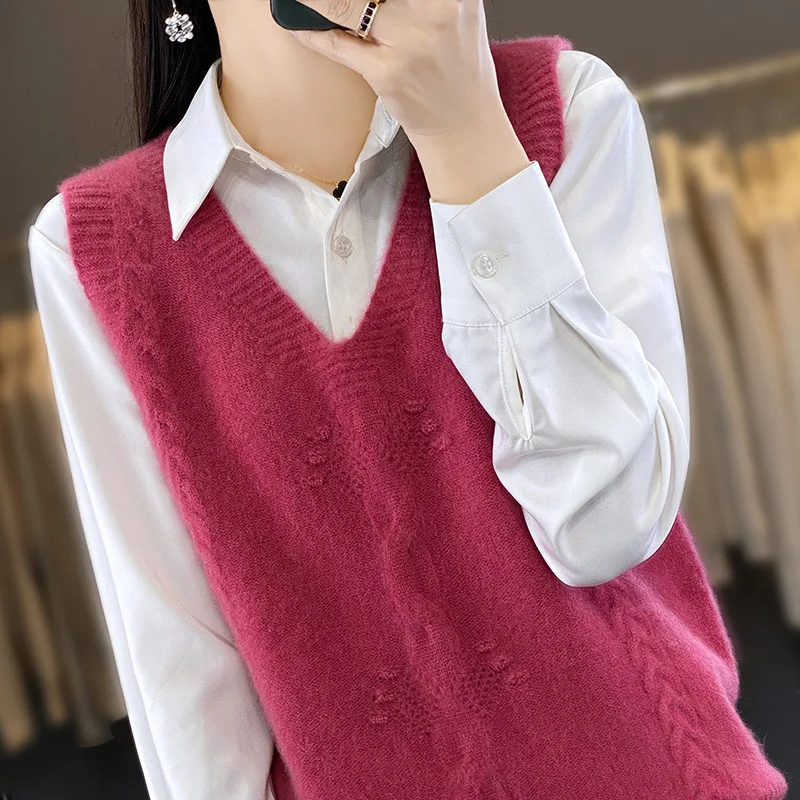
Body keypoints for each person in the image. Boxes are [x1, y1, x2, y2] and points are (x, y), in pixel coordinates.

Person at [27, 0, 788, 798]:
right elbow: (183, 680)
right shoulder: (95, 252)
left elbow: (606, 529)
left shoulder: (565, 107)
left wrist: (467, 138)